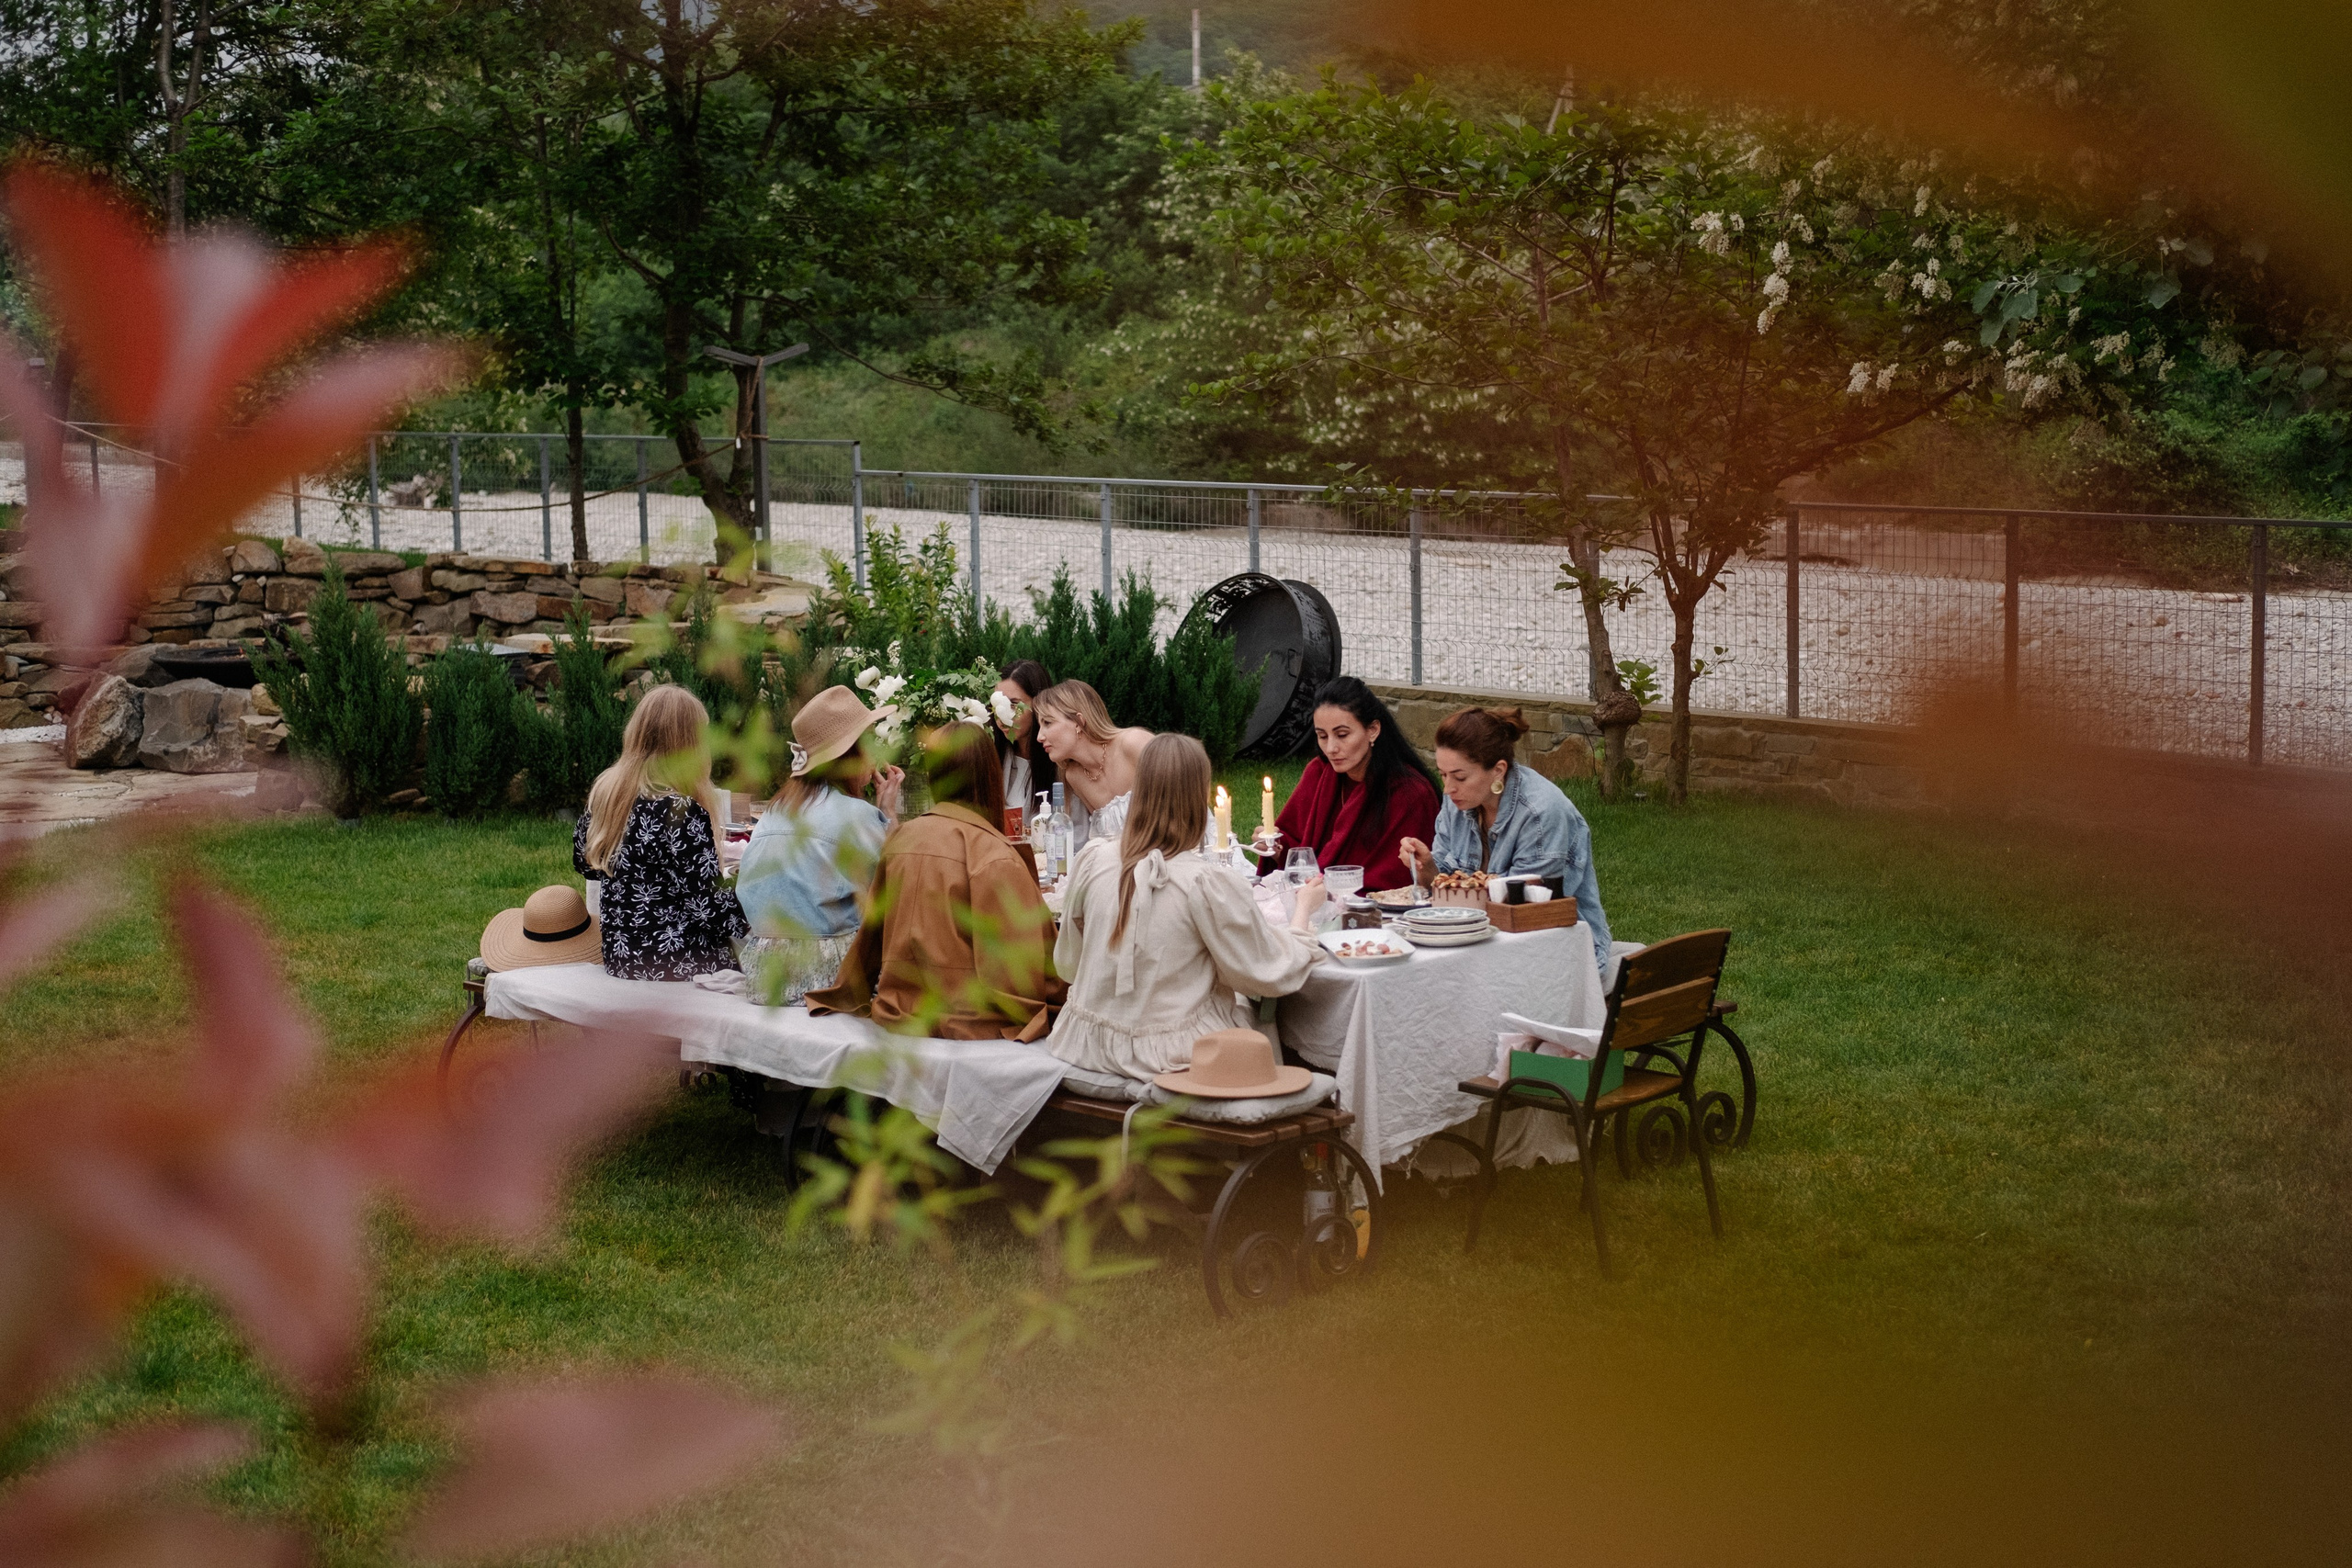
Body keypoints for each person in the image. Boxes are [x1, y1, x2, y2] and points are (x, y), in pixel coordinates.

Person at [1047, 733, 1327, 1082]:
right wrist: (1303, 914)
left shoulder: (1094, 859)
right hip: (1171, 1055)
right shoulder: (1202, 881)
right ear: (1198, 797)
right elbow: (1266, 972)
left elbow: (1068, 965)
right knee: (1257, 1026)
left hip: (1085, 1044)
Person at [808, 722, 1062, 1040]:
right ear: (989, 776)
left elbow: (870, 939)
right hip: (971, 1022)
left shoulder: (901, 839)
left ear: (932, 777)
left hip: (898, 1012)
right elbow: (1028, 971)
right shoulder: (994, 854)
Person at [1399, 705, 1612, 964]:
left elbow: (1526, 907)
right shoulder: (1459, 801)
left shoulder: (1540, 813)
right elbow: (1446, 884)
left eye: (1459, 777)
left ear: (1498, 770)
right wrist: (1427, 867)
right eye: (1443, 775)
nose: (1448, 789)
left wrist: (1455, 900)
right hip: (1476, 937)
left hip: (1552, 949)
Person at [733, 684, 905, 1004]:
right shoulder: (857, 816)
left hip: (763, 974)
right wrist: (888, 815)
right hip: (827, 975)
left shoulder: (774, 811)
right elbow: (896, 889)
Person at [573, 683, 749, 980]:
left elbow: (585, 864)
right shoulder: (681, 811)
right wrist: (758, 913)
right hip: (679, 964)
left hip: (622, 958)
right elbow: (708, 908)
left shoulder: (606, 795)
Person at [1270, 675, 1441, 892]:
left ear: (1373, 730)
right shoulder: (1318, 772)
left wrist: (1327, 891)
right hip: (1312, 898)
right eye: (1322, 736)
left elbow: (1397, 879)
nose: (1331, 748)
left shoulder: (1410, 794)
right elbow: (1295, 846)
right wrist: (1275, 847)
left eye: (1342, 735)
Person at [1033, 679, 1152, 845]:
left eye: (1048, 722)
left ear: (1079, 722)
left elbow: (1191, 794)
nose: (1040, 737)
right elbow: (1105, 840)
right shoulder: (1075, 776)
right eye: (1040, 725)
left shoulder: (1133, 743)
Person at [992, 659, 1057, 819]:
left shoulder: (1059, 762)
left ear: (1038, 705)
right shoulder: (994, 757)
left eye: (1014, 704)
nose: (1003, 715)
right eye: (998, 705)